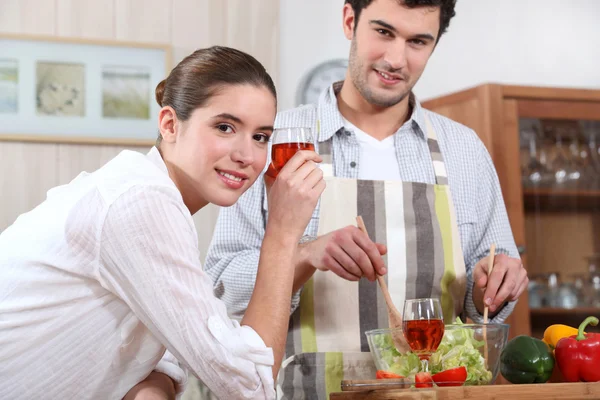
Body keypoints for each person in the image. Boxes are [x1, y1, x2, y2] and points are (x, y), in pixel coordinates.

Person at [205, 0, 528, 397]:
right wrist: (303, 255)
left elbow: (484, 305)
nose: (396, 58)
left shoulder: (464, 150)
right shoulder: (273, 139)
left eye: (418, 41)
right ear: (349, 21)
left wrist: (491, 287)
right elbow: (220, 289)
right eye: (383, 32)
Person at [0, 46, 325, 400]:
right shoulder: (139, 202)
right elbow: (250, 386)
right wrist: (282, 233)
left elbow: (171, 324)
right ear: (170, 124)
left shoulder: (145, 192)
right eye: (225, 127)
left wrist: (158, 380)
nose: (247, 156)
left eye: (260, 136)